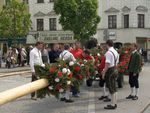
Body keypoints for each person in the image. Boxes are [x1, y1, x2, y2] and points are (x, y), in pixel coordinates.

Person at [102, 40, 119, 110]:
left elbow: (107, 64)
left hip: (110, 70)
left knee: (111, 88)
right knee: (114, 87)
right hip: (115, 69)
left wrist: (104, 73)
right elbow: (117, 62)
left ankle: (112, 104)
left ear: (107, 44)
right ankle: (114, 103)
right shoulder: (116, 52)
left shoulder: (109, 52)